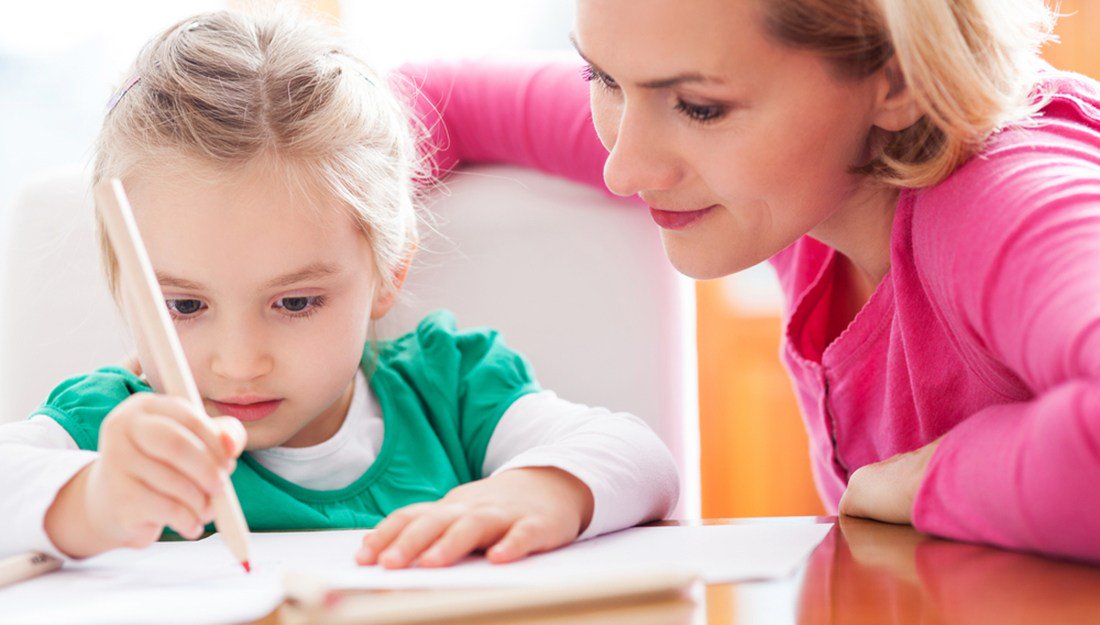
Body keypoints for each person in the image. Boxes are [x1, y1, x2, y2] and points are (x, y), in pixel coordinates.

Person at [395, 0, 1100, 561]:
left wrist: (920, 482)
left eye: (699, 108)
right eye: (602, 79)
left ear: (901, 78)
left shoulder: (1003, 199)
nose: (625, 168)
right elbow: (432, 99)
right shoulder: (805, 180)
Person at [0, 9, 679, 569]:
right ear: (124, 282)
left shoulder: (451, 389)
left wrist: (544, 488)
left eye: (295, 302)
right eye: (184, 305)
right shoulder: (114, 428)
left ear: (389, 272)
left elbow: (644, 460)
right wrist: (92, 500)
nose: (239, 360)